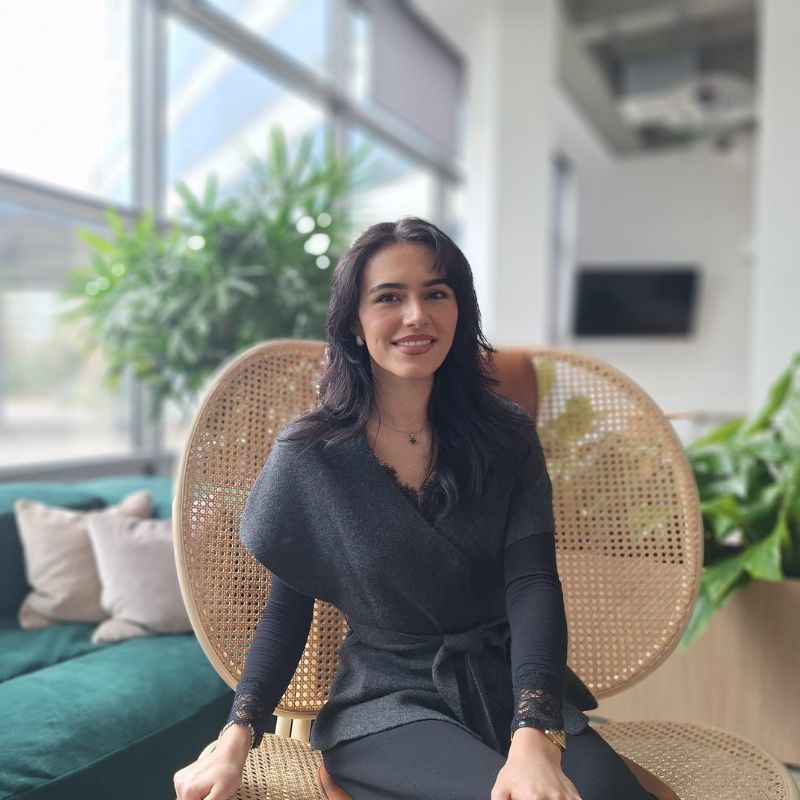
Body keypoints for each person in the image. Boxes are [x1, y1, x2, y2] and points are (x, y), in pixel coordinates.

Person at [174, 217, 667, 800]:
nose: (416, 315)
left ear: (460, 312)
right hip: (386, 701)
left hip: (506, 685)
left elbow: (532, 584)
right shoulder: (310, 454)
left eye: (436, 293)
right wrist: (235, 740)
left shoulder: (507, 435)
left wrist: (536, 732)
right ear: (354, 323)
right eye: (389, 297)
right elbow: (286, 612)